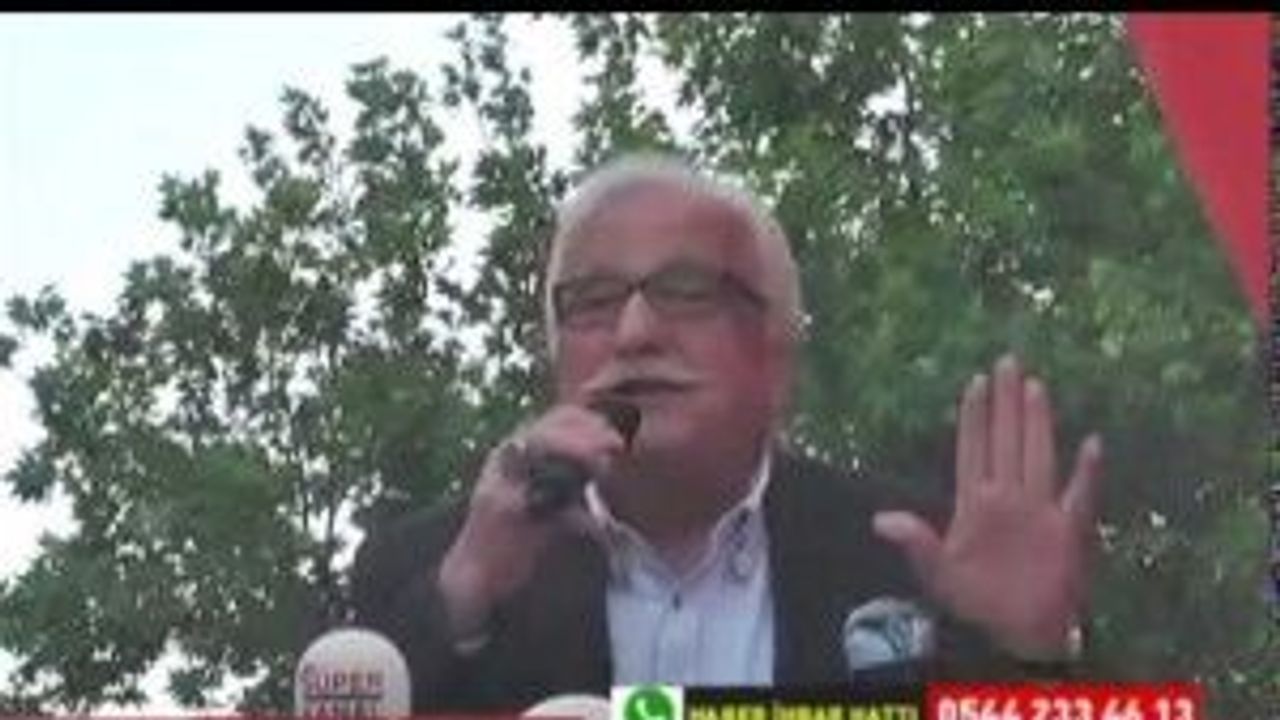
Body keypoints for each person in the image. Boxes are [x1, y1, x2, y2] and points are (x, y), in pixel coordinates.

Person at [350, 155, 1104, 711]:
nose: (634, 332)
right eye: (594, 300)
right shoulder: (435, 566)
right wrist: (463, 597)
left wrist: (1030, 658)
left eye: (686, 292)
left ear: (776, 352)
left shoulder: (915, 562)